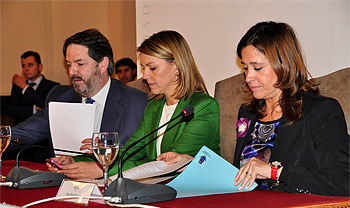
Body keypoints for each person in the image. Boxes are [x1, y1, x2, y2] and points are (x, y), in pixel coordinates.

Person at [52, 30, 221, 179]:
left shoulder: (203, 107)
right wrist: (75, 162)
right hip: (160, 190)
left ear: (176, 66)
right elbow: (128, 152)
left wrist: (101, 170)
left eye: (152, 68)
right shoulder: (154, 107)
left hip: (196, 194)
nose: (145, 76)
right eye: (143, 68)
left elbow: (167, 165)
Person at [233, 21, 349, 196]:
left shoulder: (321, 111)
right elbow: (239, 175)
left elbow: (343, 182)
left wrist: (275, 172)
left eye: (257, 68)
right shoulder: (248, 113)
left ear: (283, 65)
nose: (248, 77)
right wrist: (195, 164)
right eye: (245, 68)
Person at [5, 29, 148, 169]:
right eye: (69, 64)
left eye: (80, 64)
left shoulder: (135, 102)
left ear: (103, 64)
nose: (72, 72)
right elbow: (25, 132)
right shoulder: (60, 97)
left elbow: (140, 159)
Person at [8, 51, 60, 125]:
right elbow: (11, 110)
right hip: (21, 128)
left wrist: (25, 87)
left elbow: (45, 106)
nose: (26, 69)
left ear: (40, 67)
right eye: (23, 66)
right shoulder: (18, 86)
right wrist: (34, 109)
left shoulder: (52, 86)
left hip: (42, 130)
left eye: (30, 65)